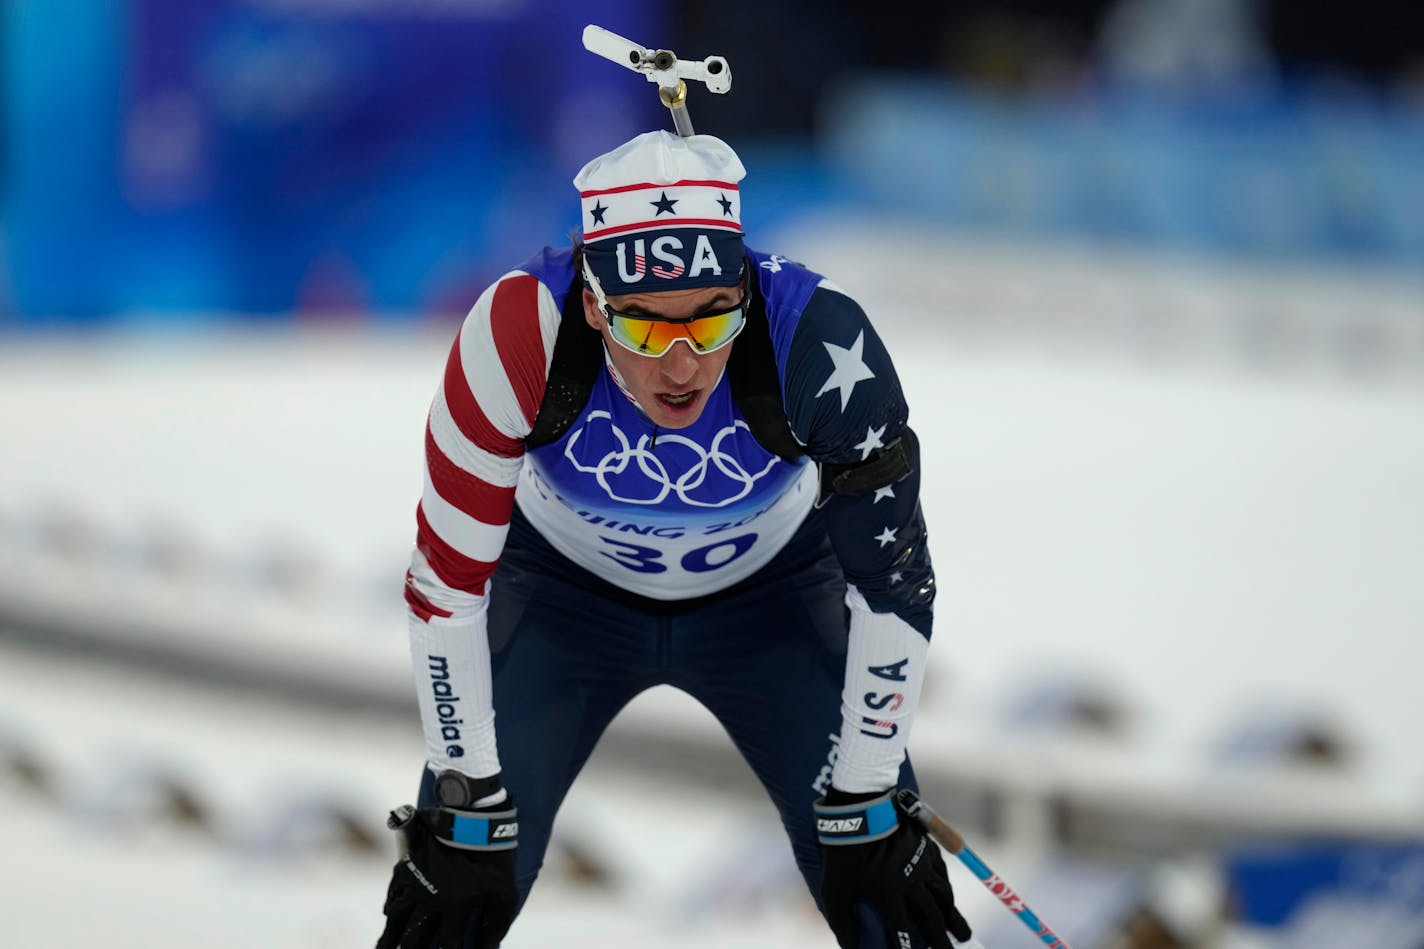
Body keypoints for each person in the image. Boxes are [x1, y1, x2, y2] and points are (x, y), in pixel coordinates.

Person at [375, 129, 977, 949]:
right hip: (561, 601)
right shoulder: (518, 331)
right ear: (594, 303)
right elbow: (446, 585)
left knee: (880, 889)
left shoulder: (816, 338)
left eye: (711, 318)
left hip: (773, 603)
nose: (683, 364)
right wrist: (464, 786)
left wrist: (867, 785)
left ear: (743, 290)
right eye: (647, 330)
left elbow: (893, 580)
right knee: (456, 890)